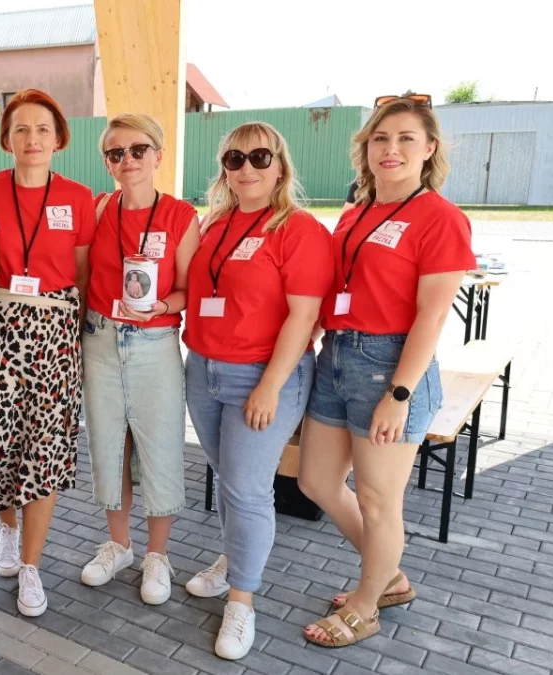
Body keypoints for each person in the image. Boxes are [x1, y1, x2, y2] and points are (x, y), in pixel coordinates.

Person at [298, 94, 475, 647]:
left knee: (379, 500)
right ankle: (389, 574)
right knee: (315, 480)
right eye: (380, 138)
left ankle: (367, 604)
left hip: (390, 365)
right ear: (366, 147)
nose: (390, 149)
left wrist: (400, 394)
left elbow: (432, 316)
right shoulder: (357, 212)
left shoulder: (441, 217)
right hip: (337, 356)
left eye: (404, 139)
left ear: (429, 148)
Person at [182, 122, 333, 659]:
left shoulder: (299, 230)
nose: (246, 168)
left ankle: (242, 600)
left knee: (247, 490)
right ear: (224, 168)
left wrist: (270, 386)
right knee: (229, 480)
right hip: (204, 370)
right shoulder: (215, 223)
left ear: (280, 165)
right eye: (234, 158)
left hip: (264, 376)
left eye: (259, 157)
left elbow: (304, 316)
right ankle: (234, 560)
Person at [0, 88, 94, 617]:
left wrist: (73, 339)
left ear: (58, 139)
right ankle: (7, 529)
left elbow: (82, 274)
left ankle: (32, 565)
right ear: (6, 139)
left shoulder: (78, 198)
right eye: (21, 129)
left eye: (42, 129)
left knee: (46, 445)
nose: (32, 138)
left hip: (55, 335)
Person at [79, 113, 200, 605]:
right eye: (115, 152)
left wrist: (161, 305)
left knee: (159, 445)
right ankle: (119, 545)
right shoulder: (98, 209)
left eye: (138, 149)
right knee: (110, 444)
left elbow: (190, 290)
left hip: (154, 342)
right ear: (107, 162)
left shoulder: (180, 216)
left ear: (158, 156)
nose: (127, 159)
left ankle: (158, 555)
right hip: (100, 340)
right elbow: (81, 276)